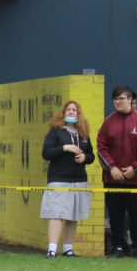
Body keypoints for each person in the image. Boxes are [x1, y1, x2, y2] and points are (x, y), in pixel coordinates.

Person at [97, 85, 137, 258]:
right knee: (115, 215)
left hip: (136, 180)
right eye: (115, 99)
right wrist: (112, 167)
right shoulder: (108, 122)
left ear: (130, 100)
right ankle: (118, 247)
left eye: (121, 98)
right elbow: (101, 147)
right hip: (112, 179)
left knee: (136, 215)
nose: (117, 102)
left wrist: (135, 168)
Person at [40, 99, 94, 257]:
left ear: (78, 114)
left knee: (73, 215)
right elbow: (46, 153)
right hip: (59, 178)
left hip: (78, 179)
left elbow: (91, 155)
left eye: (74, 110)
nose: (71, 112)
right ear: (63, 113)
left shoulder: (83, 133)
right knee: (57, 214)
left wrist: (85, 157)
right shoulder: (55, 131)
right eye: (68, 110)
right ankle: (52, 249)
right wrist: (64, 148)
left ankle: (68, 249)